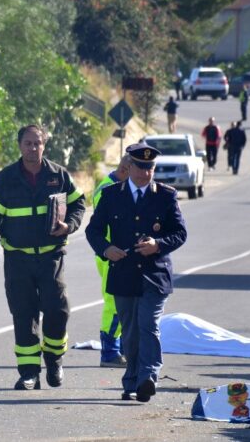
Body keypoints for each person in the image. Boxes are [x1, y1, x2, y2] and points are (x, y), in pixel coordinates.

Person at [0, 124, 86, 390]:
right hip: (18, 259)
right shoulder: (6, 178)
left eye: (37, 143)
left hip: (52, 257)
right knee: (23, 313)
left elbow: (78, 204)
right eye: (28, 143)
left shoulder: (58, 175)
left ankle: (54, 362)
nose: (33, 148)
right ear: (20, 145)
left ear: (44, 145)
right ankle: (29, 372)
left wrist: (69, 226)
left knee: (57, 310)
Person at [84, 143, 187, 403]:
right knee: (129, 331)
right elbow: (93, 231)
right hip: (124, 273)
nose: (146, 173)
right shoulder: (111, 195)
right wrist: (106, 249)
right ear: (129, 167)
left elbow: (180, 233)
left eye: (150, 167)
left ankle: (148, 377)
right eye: (141, 167)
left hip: (155, 274)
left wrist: (158, 245)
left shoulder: (165, 196)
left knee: (148, 325)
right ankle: (131, 381)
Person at [91, 154, 133, 368]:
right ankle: (109, 352)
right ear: (126, 169)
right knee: (114, 304)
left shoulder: (119, 186)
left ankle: (125, 349)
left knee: (127, 302)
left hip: (119, 253)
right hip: (110, 255)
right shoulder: (107, 190)